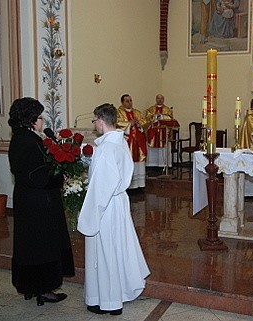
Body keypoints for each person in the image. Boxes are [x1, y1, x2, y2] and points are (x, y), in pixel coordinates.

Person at [78, 103, 150, 316]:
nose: (95, 125)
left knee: (105, 252)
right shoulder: (121, 143)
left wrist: (89, 214)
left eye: (94, 121)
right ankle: (113, 295)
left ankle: (108, 301)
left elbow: (101, 188)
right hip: (118, 203)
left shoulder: (106, 149)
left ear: (100, 120)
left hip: (106, 206)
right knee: (116, 250)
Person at [8, 97, 74, 306]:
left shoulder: (19, 138)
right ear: (30, 120)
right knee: (42, 245)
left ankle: (30, 286)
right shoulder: (29, 142)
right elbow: (38, 177)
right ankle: (44, 288)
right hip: (39, 203)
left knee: (29, 244)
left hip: (26, 199)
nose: (42, 121)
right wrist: (59, 178)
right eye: (39, 117)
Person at [116, 94, 149, 189]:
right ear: (122, 102)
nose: (129, 102)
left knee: (139, 160)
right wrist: (129, 124)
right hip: (128, 140)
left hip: (138, 140)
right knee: (129, 160)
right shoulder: (119, 113)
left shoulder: (137, 112)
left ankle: (140, 184)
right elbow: (117, 123)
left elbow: (144, 122)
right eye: (127, 101)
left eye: (130, 100)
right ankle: (130, 186)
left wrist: (139, 125)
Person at [145, 94, 174, 167]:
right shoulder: (150, 109)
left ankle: (163, 164)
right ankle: (152, 164)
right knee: (152, 147)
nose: (160, 100)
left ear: (163, 100)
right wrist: (155, 116)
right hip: (153, 132)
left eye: (161, 98)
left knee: (163, 148)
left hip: (163, 131)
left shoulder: (168, 110)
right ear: (156, 99)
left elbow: (170, 119)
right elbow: (147, 119)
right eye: (158, 98)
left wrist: (161, 116)